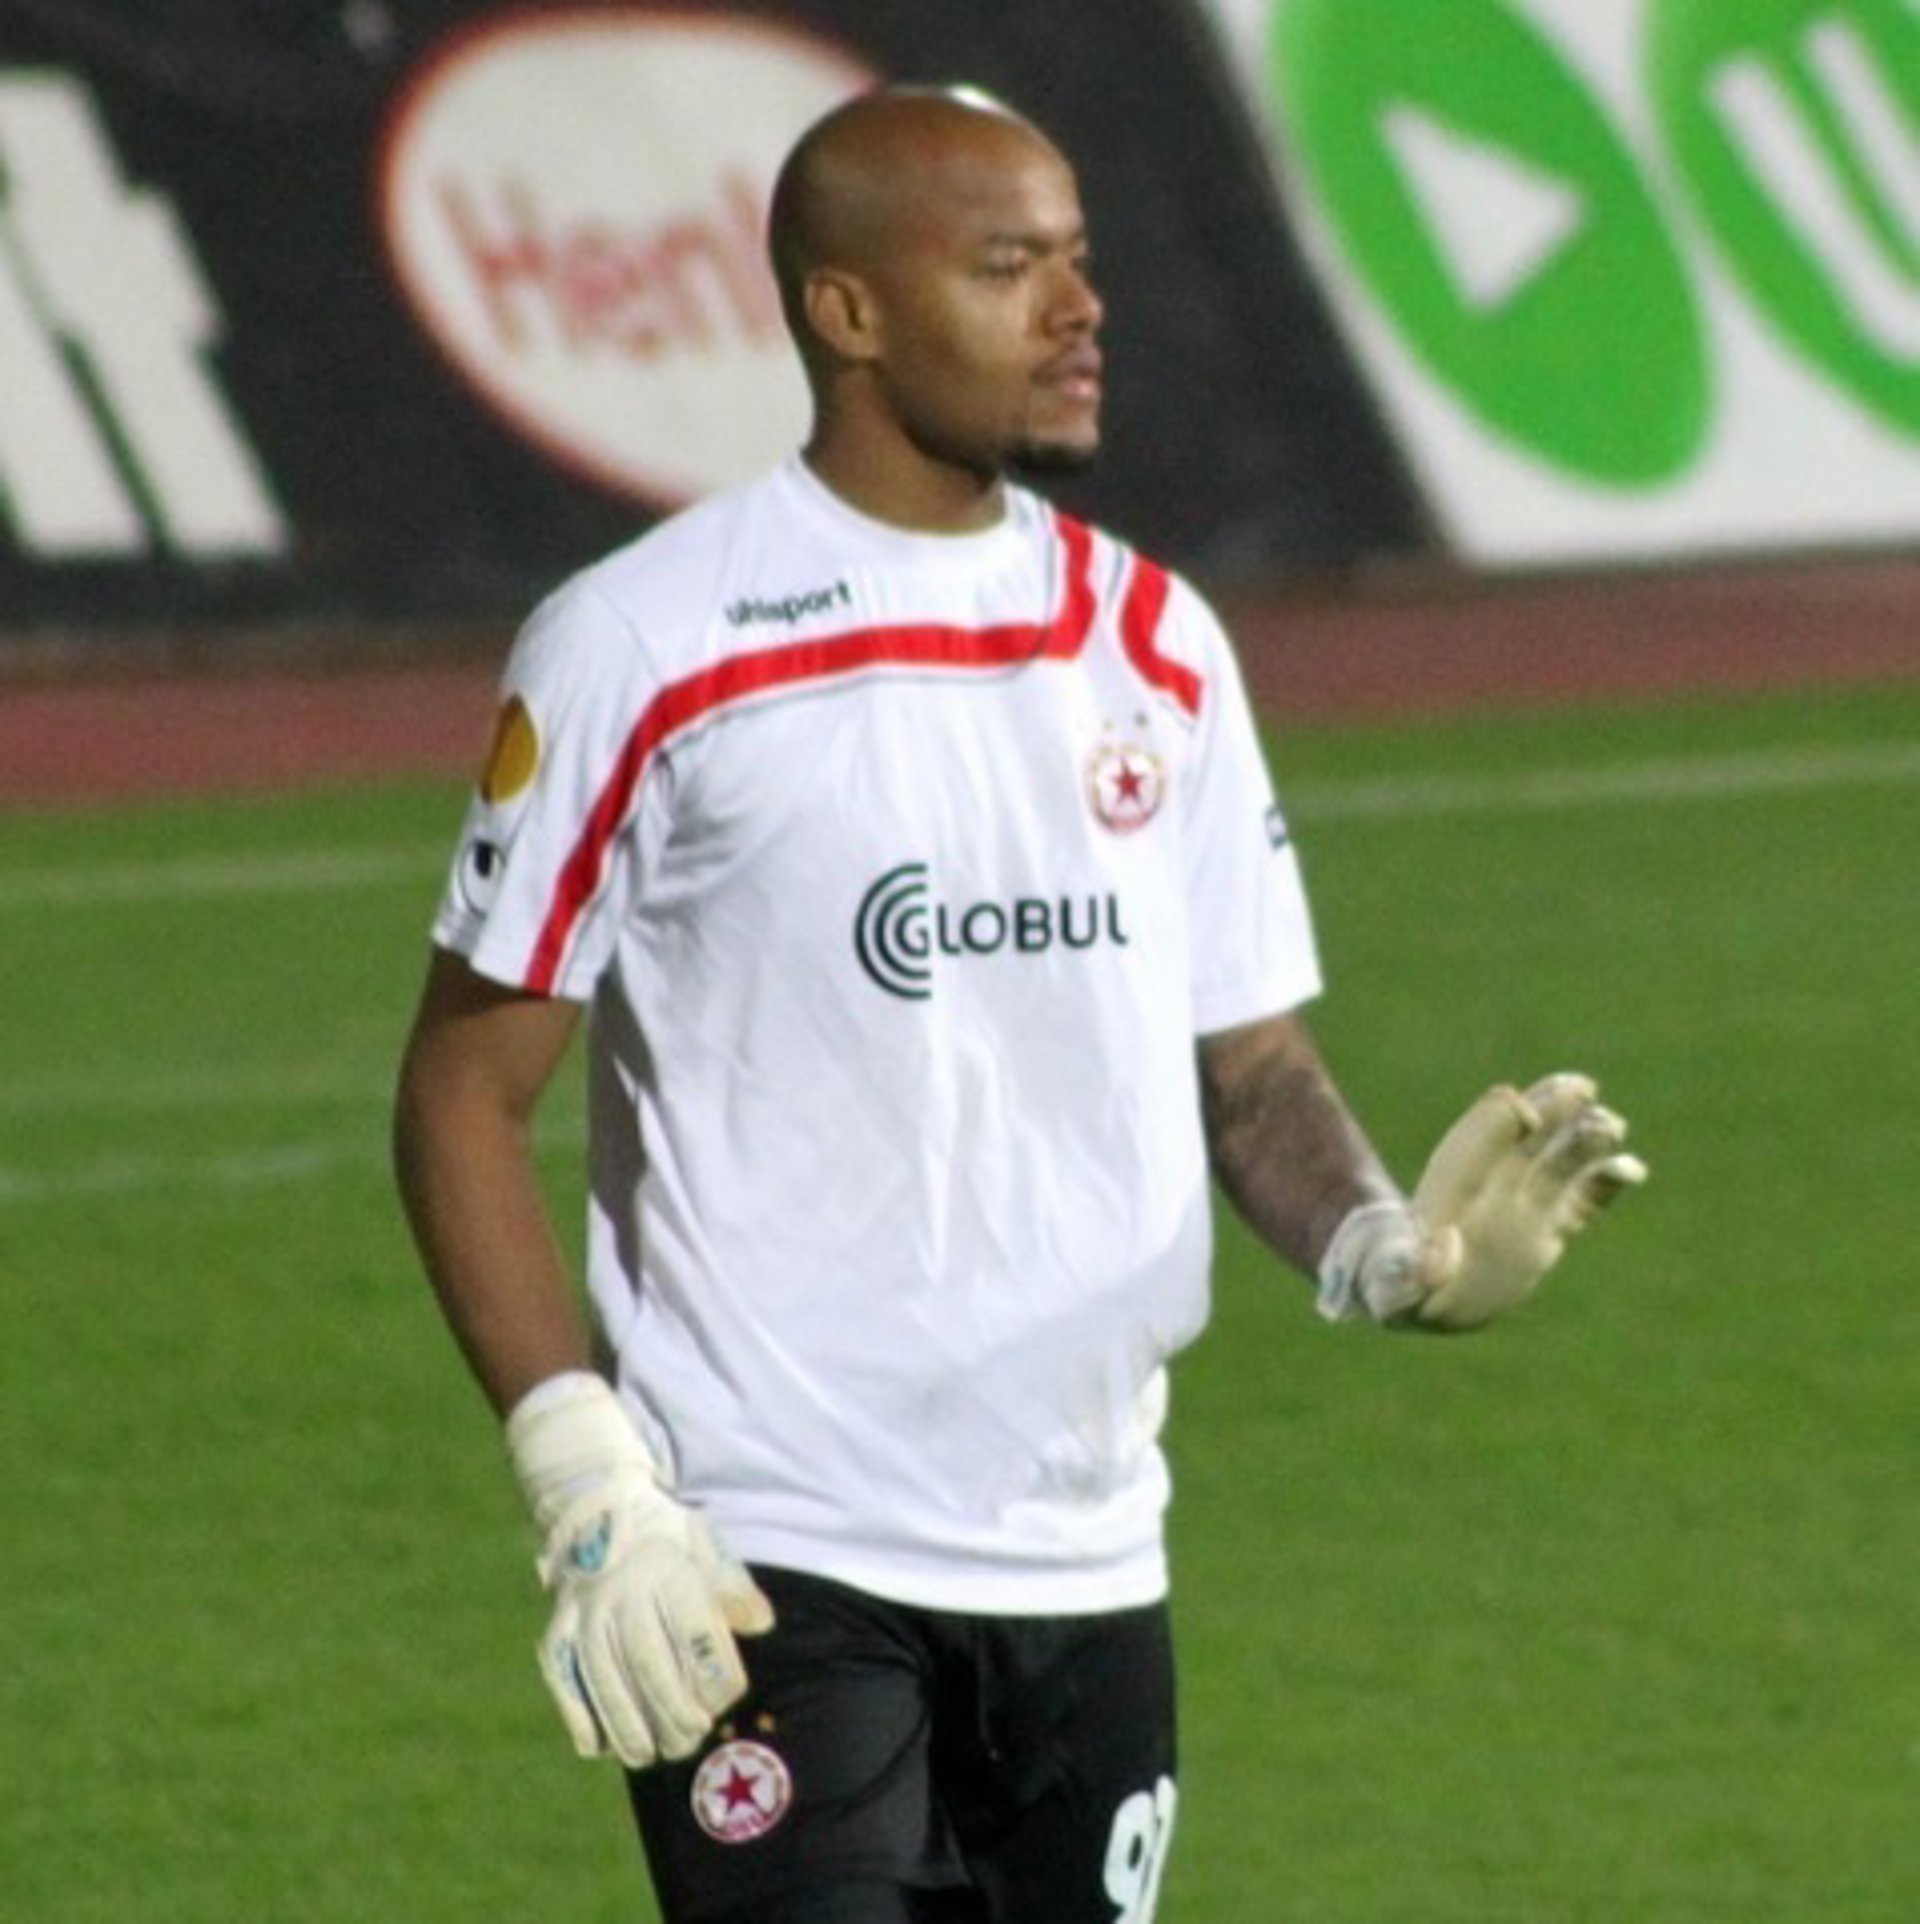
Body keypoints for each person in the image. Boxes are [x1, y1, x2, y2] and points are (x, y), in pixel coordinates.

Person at [392, 84, 1646, 1924]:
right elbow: (459, 1092)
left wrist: (1383, 1249)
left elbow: (1250, 1066)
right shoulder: (644, 644)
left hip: (1086, 1555)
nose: (1079, 310)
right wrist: (586, 1483)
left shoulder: (1159, 644)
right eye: (1008, 269)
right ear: (847, 312)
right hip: (766, 1550)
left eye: (1078, 260)